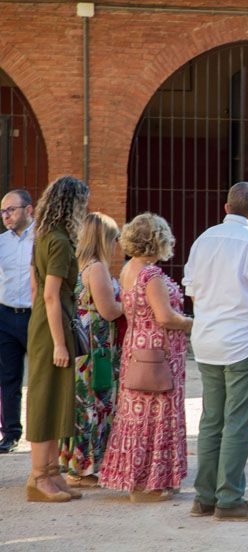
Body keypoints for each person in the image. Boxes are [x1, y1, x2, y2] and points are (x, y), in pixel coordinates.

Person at [184, 182, 248, 521]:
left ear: (226, 209)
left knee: (212, 421)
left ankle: (204, 497)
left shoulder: (203, 239)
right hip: (244, 342)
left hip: (208, 340)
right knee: (239, 423)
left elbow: (191, 291)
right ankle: (230, 499)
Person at [99, 213, 193, 502]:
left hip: (136, 349)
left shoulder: (129, 269)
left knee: (136, 416)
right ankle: (147, 485)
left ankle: (139, 478)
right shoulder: (151, 276)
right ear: (158, 240)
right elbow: (165, 317)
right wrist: (194, 323)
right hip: (157, 353)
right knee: (156, 416)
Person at [25, 176, 89, 502]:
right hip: (53, 327)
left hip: (44, 324)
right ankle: (38, 475)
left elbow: (36, 289)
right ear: (72, 205)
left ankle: (51, 471)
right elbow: (50, 295)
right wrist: (60, 342)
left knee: (52, 395)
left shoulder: (44, 236)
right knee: (44, 396)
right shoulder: (60, 241)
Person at [59, 213, 124, 487]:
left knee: (83, 404)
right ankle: (84, 469)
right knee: (93, 405)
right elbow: (108, 311)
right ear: (103, 239)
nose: (116, 245)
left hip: (83, 345)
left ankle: (77, 465)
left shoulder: (78, 263)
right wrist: (132, 304)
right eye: (114, 238)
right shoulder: (96, 267)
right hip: (95, 348)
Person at [0, 189, 35, 455]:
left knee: (41, 376)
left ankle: (40, 431)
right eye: (3, 211)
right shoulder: (2, 243)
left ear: (29, 209)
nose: (6, 216)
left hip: (36, 316)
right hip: (5, 315)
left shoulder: (42, 239)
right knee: (9, 377)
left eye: (11, 210)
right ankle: (11, 433)